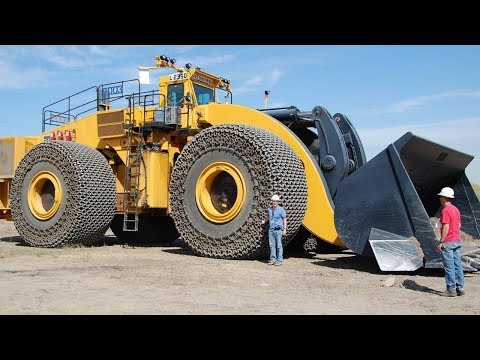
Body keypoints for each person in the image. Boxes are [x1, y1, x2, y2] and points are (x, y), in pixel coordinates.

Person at [436, 187, 465, 297]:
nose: (440, 198)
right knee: (457, 264)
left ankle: (451, 289)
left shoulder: (445, 211)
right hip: (457, 240)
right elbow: (458, 225)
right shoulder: (456, 209)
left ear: (443, 198)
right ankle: (460, 288)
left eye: (441, 196)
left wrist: (441, 241)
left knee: (449, 266)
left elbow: (446, 227)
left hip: (448, 241)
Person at [261, 194, 287, 266]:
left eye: (275, 201)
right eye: (273, 201)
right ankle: (273, 259)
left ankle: (279, 260)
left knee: (279, 245)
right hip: (271, 230)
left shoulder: (281, 209)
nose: (274, 202)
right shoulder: (269, 209)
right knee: (272, 245)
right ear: (271, 201)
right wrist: (264, 221)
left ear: (278, 202)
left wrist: (284, 229)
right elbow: (269, 217)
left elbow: (284, 219)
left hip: (278, 230)